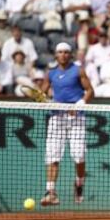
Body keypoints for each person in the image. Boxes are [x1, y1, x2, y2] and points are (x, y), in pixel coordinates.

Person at [40, 42, 94, 206]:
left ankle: (79, 183)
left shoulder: (78, 70)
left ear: (70, 55)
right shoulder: (50, 73)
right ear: (56, 55)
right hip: (56, 118)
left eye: (66, 52)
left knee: (79, 156)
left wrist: (78, 106)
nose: (63, 55)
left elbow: (90, 91)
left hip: (76, 118)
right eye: (60, 52)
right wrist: (46, 99)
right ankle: (51, 192)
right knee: (52, 156)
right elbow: (42, 93)